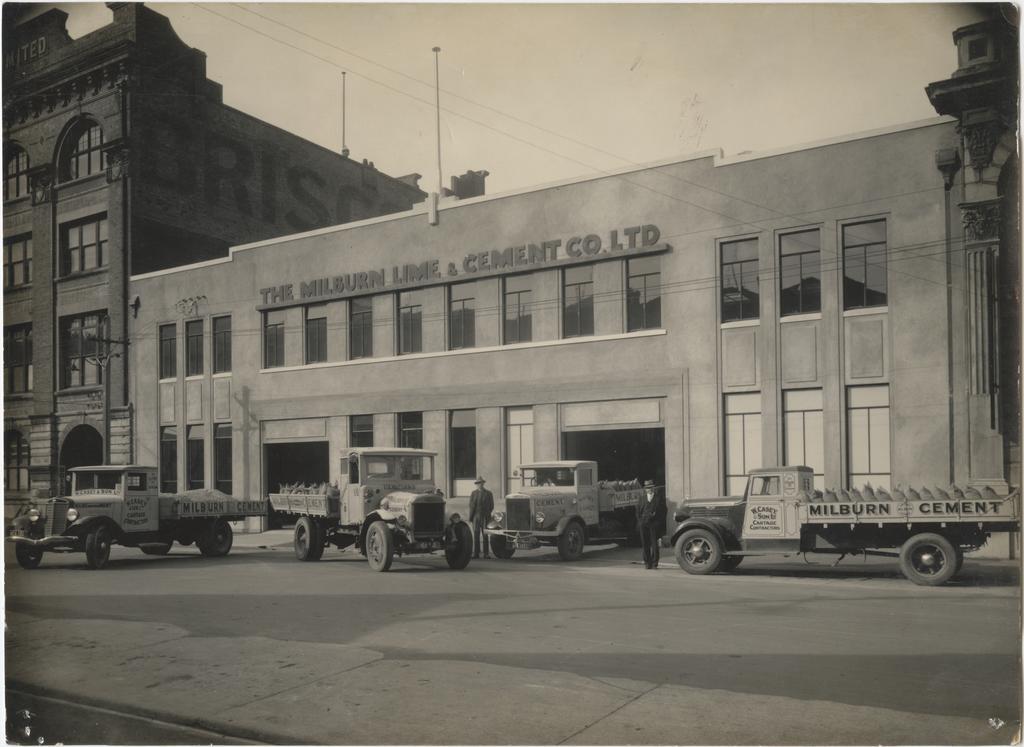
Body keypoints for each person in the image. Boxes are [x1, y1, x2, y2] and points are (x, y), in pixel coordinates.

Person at [636, 480, 667, 569]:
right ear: (645, 489)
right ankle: (647, 563)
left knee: (654, 544)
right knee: (645, 544)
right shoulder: (641, 498)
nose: (649, 489)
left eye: (650, 487)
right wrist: (640, 521)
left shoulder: (659, 498)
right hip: (644, 524)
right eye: (647, 488)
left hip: (654, 524)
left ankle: (654, 563)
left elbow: (664, 511)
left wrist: (659, 522)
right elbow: (637, 511)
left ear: (653, 488)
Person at [468, 476, 494, 559]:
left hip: (485, 516)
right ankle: (476, 553)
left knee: (485, 535)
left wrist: (487, 514)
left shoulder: (488, 493)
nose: (480, 485)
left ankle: (486, 553)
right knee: (476, 534)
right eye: (478, 483)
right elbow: (471, 506)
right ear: (476, 484)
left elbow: (491, 506)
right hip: (476, 516)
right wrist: (471, 517)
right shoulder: (473, 493)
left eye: (481, 483)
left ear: (483, 483)